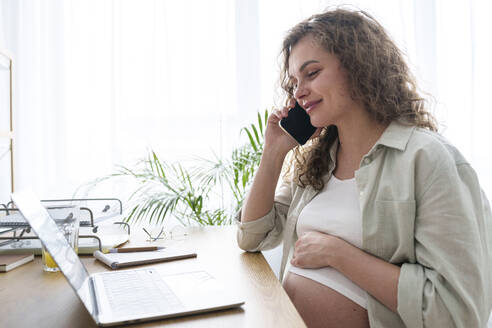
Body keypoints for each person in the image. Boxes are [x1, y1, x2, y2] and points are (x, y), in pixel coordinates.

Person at [236, 8, 492, 328]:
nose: (298, 92)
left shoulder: (429, 160)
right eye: (293, 82)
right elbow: (252, 237)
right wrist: (273, 153)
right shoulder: (317, 162)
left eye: (312, 73)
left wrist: (338, 255)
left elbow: (458, 313)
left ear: (358, 67)